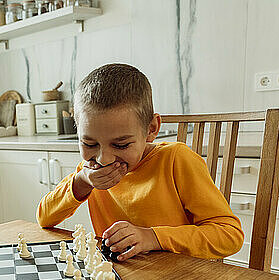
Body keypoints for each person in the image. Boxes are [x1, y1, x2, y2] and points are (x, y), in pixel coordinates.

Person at [37, 63, 244, 262]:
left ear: (152, 129)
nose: (103, 159)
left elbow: (229, 236)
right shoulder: (90, 172)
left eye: (121, 145)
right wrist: (82, 181)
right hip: (124, 278)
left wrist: (152, 238)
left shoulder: (176, 160)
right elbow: (44, 218)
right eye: (89, 143)